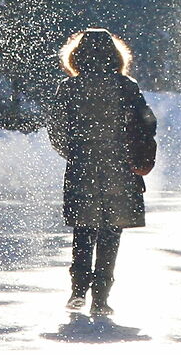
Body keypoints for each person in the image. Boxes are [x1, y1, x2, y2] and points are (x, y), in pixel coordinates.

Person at [46, 28, 157, 317]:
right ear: (115, 56)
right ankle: (101, 298)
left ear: (76, 56)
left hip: (83, 164)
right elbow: (147, 124)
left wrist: (75, 152)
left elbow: (56, 130)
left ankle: (78, 289)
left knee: (84, 229)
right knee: (111, 232)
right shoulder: (127, 87)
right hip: (119, 167)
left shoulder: (68, 88)